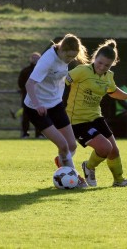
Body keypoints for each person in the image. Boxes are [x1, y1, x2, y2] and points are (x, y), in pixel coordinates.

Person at [64, 39, 127, 187]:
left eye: (107, 65)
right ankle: (89, 167)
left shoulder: (108, 76)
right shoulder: (81, 71)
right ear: (95, 58)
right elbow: (62, 82)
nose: (102, 67)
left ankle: (119, 181)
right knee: (105, 148)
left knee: (114, 151)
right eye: (100, 63)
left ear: (112, 64)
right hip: (77, 120)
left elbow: (112, 91)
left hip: (96, 117)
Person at [24, 34, 89, 188]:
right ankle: (74, 178)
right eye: (68, 56)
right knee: (63, 145)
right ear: (61, 49)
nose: (69, 60)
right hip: (36, 108)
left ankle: (62, 162)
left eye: (73, 57)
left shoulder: (65, 56)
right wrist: (38, 104)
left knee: (72, 146)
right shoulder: (47, 60)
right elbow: (29, 84)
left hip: (55, 105)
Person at [14, 52, 43, 138]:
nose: (35, 59)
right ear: (30, 59)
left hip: (40, 97)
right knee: (26, 116)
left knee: (39, 116)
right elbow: (20, 83)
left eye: (37, 57)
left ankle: (39, 134)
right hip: (26, 97)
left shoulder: (43, 70)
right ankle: (25, 133)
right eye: (33, 57)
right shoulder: (25, 71)